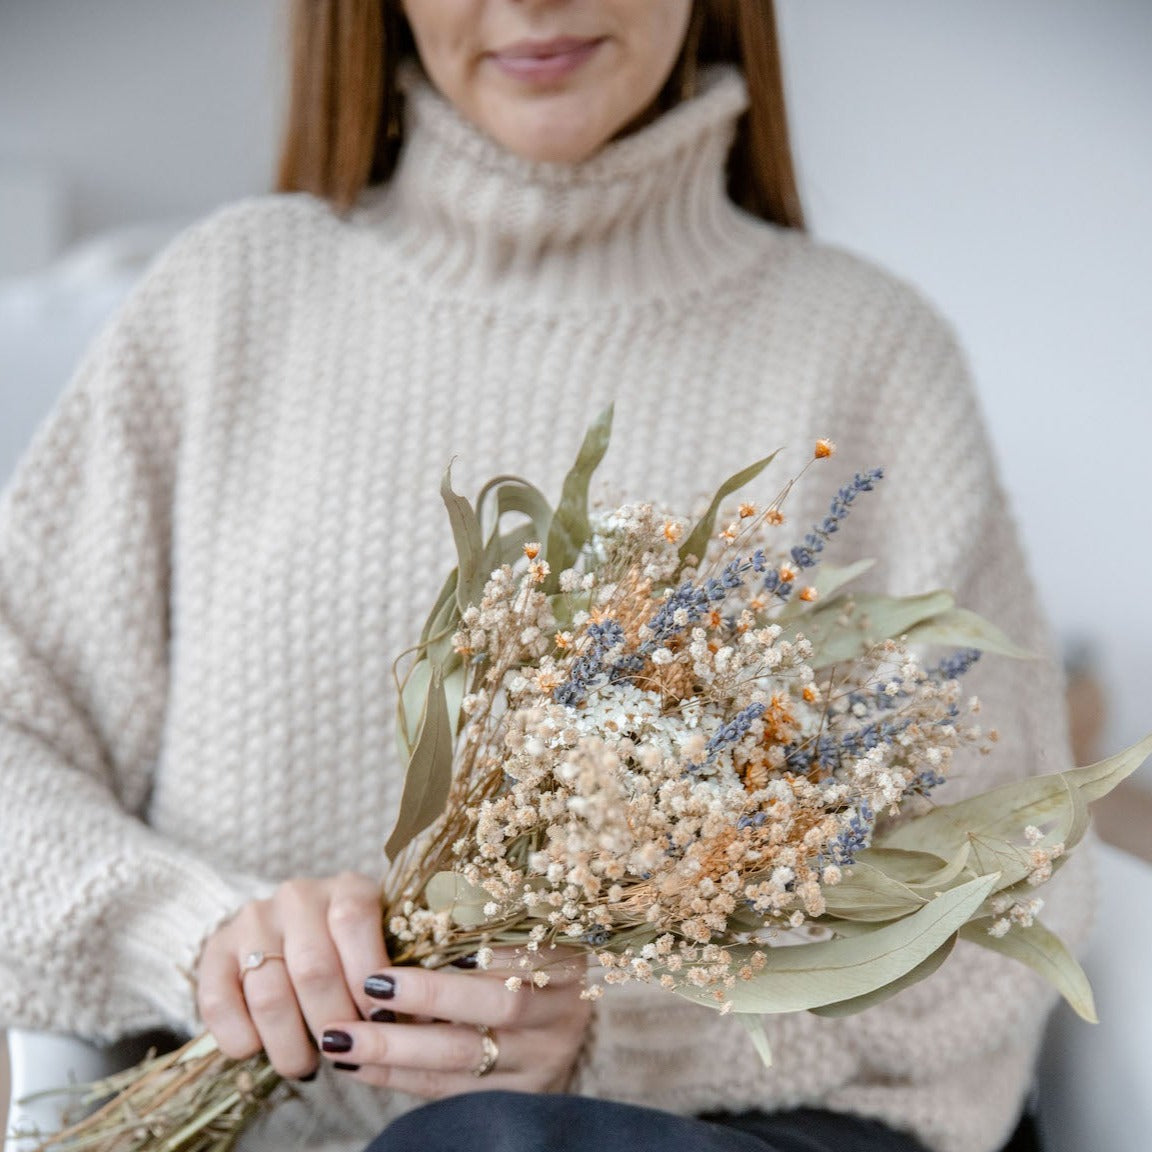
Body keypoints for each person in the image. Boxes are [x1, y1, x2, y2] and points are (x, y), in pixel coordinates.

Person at [0, 2, 1084, 1151]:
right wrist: (198, 937)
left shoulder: (867, 355)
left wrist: (615, 1035)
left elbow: (993, 900)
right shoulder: (227, 303)